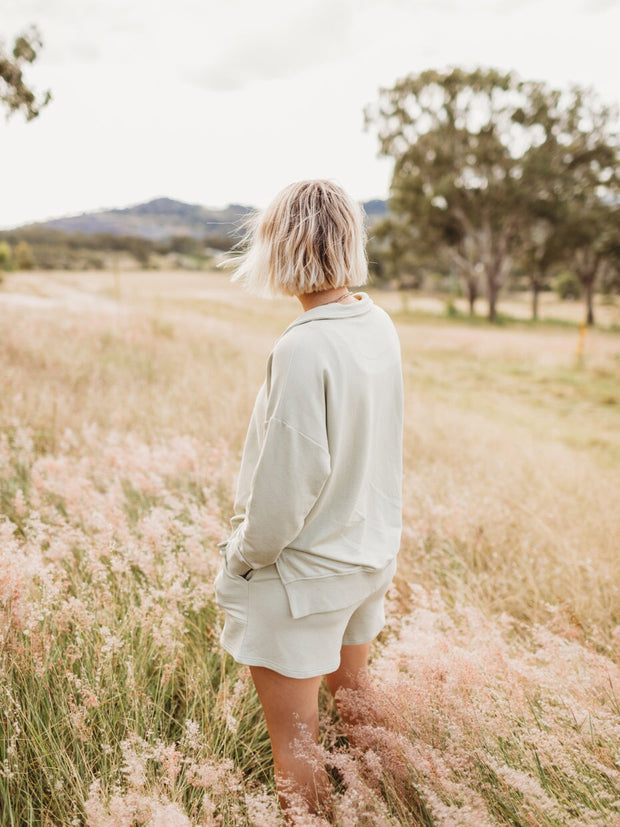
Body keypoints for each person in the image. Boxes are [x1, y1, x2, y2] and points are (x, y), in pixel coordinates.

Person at [214, 179, 403, 817]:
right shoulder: (376, 322)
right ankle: (400, 806)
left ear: (281, 246)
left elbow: (286, 486)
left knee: (296, 749)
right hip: (367, 557)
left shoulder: (303, 345)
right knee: (359, 710)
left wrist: (241, 558)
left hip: (301, 577)